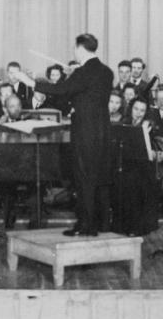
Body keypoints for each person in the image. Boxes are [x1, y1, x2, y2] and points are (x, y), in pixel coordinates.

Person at [15, 33, 114, 237]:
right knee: (94, 179)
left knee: (83, 178)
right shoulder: (106, 72)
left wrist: (30, 81)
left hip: (85, 132)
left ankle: (86, 227)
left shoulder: (83, 73)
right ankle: (92, 223)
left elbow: (60, 90)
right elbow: (85, 90)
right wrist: (75, 74)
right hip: (102, 132)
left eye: (74, 49)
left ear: (80, 49)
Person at [108, 100, 163, 237]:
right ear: (130, 109)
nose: (138, 113)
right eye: (136, 109)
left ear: (146, 113)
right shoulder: (123, 123)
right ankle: (119, 225)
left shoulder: (151, 127)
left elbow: (158, 153)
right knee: (118, 178)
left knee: (134, 181)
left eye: (142, 110)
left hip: (143, 167)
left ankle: (135, 227)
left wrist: (146, 133)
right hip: (125, 164)